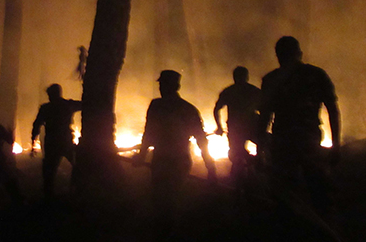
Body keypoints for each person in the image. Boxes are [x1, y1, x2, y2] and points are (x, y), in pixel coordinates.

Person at [258, 36, 341, 216]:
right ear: (299, 53)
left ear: (278, 55)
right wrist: (336, 144)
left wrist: (259, 150)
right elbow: (333, 110)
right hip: (307, 138)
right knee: (318, 189)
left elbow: (265, 116)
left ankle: (292, 230)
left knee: (285, 194)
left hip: (283, 141)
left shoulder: (271, 79)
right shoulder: (316, 75)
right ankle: (323, 228)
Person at [133, 70, 217, 225]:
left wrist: (210, 168)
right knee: (162, 198)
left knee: (168, 199)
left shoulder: (165, 107)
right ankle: (166, 232)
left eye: (164, 84)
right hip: (166, 159)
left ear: (175, 86)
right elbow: (149, 133)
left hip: (174, 160)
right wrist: (142, 154)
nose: (161, 88)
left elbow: (200, 139)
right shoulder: (177, 107)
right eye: (161, 84)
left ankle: (167, 233)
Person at [213, 66, 261, 194]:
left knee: (236, 153)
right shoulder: (253, 91)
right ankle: (251, 172)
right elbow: (265, 109)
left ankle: (244, 174)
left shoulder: (229, 91)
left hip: (237, 127)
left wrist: (219, 126)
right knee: (239, 153)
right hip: (250, 126)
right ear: (247, 76)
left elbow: (217, 109)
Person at [31, 84, 82, 200]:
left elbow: (37, 125)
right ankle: (75, 190)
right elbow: (84, 104)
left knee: (49, 171)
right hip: (64, 141)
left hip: (52, 142)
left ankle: (49, 196)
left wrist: (33, 141)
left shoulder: (46, 108)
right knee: (77, 164)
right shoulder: (67, 105)